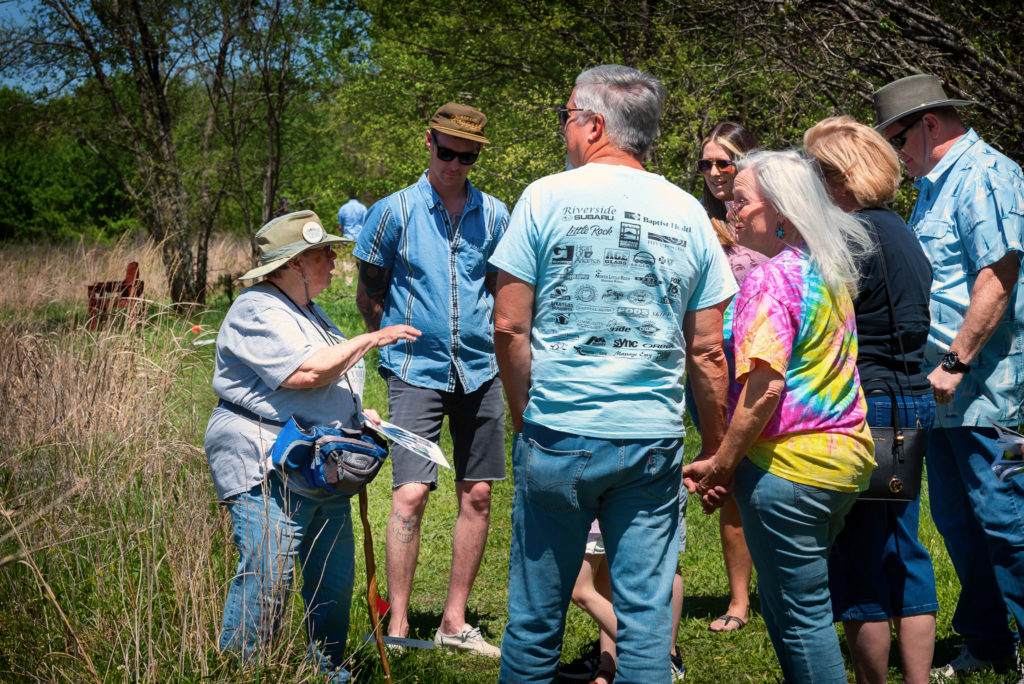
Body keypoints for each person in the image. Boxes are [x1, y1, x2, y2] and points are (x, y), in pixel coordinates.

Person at [492, 64, 737, 683]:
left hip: (558, 429)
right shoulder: (688, 212)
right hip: (651, 439)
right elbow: (708, 351)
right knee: (646, 622)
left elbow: (508, 327)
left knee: (534, 621)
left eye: (567, 117)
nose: (565, 130)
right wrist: (713, 447)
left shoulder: (544, 196)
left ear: (594, 124)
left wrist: (526, 419)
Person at [684, 149, 876, 683]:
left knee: (799, 622)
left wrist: (721, 462)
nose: (732, 209)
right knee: (809, 609)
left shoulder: (770, 279)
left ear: (784, 212)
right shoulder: (827, 269)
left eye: (743, 199)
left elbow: (764, 389)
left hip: (790, 473)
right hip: (843, 462)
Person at [204, 210, 420, 681]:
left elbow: (321, 381)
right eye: (324, 251)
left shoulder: (306, 310)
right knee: (269, 577)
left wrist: (354, 417)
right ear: (293, 264)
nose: (333, 258)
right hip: (266, 462)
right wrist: (372, 338)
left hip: (320, 466)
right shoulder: (257, 308)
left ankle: (328, 670)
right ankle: (244, 672)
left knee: (334, 579)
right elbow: (306, 373)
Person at [873, 73, 1024, 679]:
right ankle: (988, 642)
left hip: (992, 394)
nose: (895, 155)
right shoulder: (933, 187)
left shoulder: (988, 174)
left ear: (929, 125)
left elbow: (999, 272)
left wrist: (956, 361)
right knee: (961, 524)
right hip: (945, 395)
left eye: (897, 141)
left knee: (1007, 520)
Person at [354, 102, 509, 656]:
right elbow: (370, 289)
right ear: (429, 142)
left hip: (480, 370)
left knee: (480, 494)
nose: (455, 163)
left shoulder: (494, 215)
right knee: (411, 493)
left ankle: (453, 622)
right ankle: (396, 628)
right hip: (414, 371)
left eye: (467, 156)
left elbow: (500, 290)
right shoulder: (392, 212)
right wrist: (385, 341)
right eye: (447, 151)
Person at [805, 115, 938, 684]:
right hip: (910, 401)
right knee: (901, 546)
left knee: (859, 551)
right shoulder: (901, 229)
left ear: (838, 177)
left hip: (873, 406)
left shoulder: (853, 235)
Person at [694, 121, 763, 634]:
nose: (715, 172)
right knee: (730, 479)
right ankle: (738, 600)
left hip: (772, 365)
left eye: (725, 161)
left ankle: (800, 584)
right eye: (707, 164)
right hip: (720, 366)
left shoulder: (771, 218)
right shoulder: (697, 223)